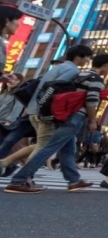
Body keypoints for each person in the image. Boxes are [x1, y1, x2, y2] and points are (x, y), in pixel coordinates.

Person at [5, 53, 108, 194]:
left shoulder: (80, 74)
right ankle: (18, 181)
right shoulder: (96, 79)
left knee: (68, 150)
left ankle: (74, 181)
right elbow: (91, 101)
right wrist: (93, 121)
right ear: (106, 65)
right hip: (76, 117)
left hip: (64, 115)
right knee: (49, 148)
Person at [0, 46, 93, 182]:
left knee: (65, 146)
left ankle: (74, 181)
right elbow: (53, 88)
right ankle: (22, 178)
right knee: (43, 147)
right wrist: (45, 108)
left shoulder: (56, 68)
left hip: (36, 110)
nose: (87, 60)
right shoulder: (72, 70)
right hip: (44, 113)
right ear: (78, 57)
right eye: (87, 57)